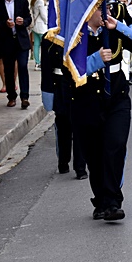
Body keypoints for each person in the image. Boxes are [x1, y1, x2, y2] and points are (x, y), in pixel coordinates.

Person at [73, 1, 132, 221]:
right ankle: (101, 200)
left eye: (108, 8)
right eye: (102, 9)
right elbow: (68, 67)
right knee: (94, 154)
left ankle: (112, 201)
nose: (107, 13)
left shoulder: (113, 29)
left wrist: (118, 26)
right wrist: (95, 60)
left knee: (115, 145)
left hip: (117, 98)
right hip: (88, 100)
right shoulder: (75, 35)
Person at [40, 33, 87, 178]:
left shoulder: (82, 32)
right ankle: (63, 161)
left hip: (78, 83)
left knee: (80, 125)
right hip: (59, 85)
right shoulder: (50, 38)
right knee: (63, 125)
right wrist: (47, 91)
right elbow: (46, 68)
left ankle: (80, 167)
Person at [0, 0, 33, 109]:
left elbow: (29, 18)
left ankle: (25, 97)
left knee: (23, 66)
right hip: (6, 41)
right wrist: (4, 24)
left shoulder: (22, 1)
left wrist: (23, 22)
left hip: (21, 40)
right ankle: (11, 96)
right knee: (9, 69)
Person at [30, 0, 48, 71]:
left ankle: (37, 62)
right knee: (44, 44)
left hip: (35, 26)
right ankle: (43, 62)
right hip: (41, 26)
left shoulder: (33, 1)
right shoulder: (40, 1)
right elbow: (44, 15)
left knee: (36, 45)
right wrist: (47, 22)